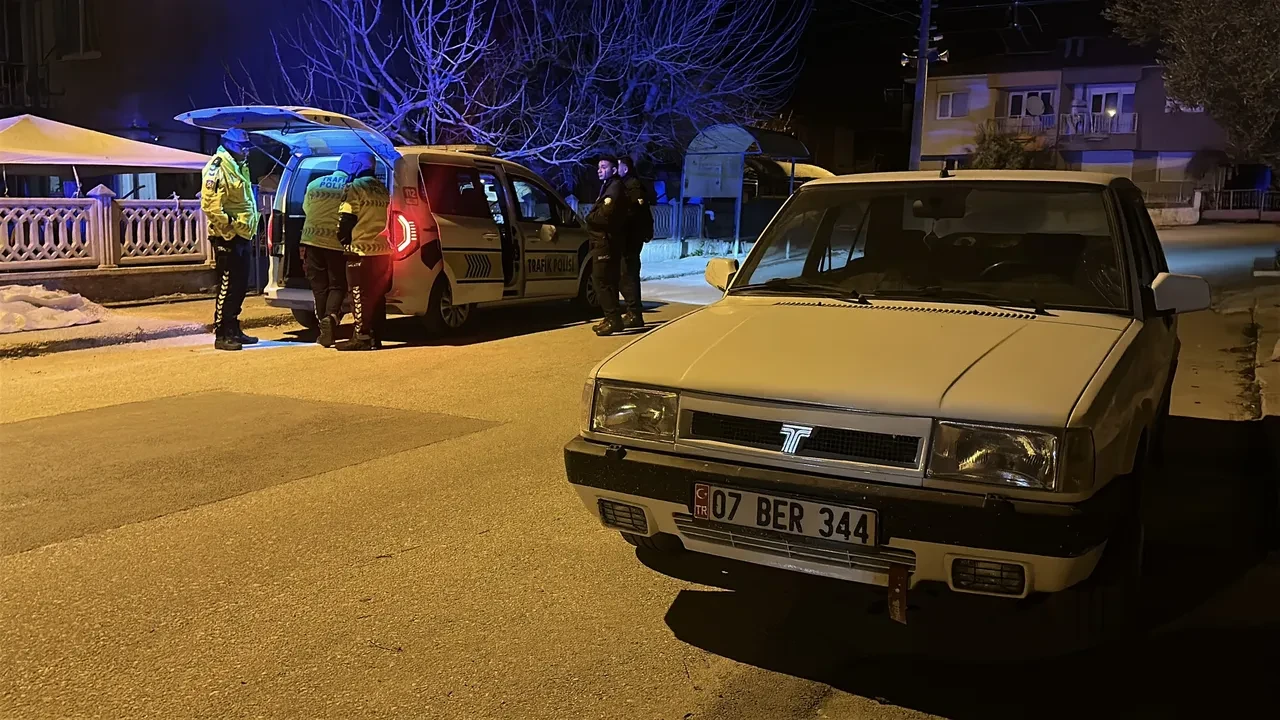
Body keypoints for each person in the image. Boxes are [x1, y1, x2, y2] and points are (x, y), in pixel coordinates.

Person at [201, 128, 260, 351]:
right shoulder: (217, 167)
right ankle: (222, 334)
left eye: (247, 146)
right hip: (228, 237)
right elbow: (210, 205)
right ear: (228, 144)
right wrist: (230, 228)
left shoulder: (238, 166)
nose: (246, 151)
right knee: (227, 286)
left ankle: (234, 329)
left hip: (242, 235)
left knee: (239, 286)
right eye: (242, 146)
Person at [335, 152, 392, 351]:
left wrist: (343, 240)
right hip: (383, 251)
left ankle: (361, 336)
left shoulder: (355, 187)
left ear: (358, 165)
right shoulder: (382, 189)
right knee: (377, 296)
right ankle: (376, 337)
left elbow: (346, 219)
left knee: (358, 294)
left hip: (360, 250)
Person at [300, 163, 352, 347]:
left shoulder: (315, 183)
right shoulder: (351, 186)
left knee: (319, 286)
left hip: (311, 239)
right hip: (334, 242)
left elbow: (306, 208)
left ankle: (324, 328)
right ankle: (330, 317)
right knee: (337, 284)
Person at [585, 157, 629, 336]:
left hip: (606, 241)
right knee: (605, 280)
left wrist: (590, 217)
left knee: (601, 280)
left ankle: (613, 319)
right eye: (598, 167)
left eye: (604, 167)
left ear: (614, 170)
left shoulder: (615, 188)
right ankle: (611, 317)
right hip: (603, 241)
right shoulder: (608, 186)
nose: (599, 170)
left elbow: (604, 215)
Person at [617, 156, 655, 329]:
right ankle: (632, 311)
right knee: (624, 274)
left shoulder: (632, 186)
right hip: (629, 237)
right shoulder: (626, 184)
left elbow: (635, 214)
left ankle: (634, 313)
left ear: (625, 169)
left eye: (618, 166)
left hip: (631, 238)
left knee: (628, 275)